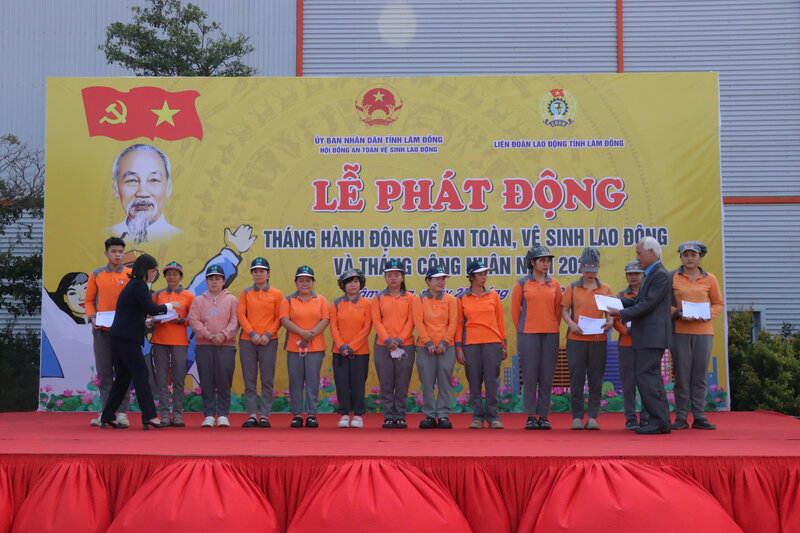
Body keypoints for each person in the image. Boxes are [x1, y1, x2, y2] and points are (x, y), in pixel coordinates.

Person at [99, 254, 180, 430]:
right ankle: (150, 416)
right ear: (146, 271)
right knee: (142, 376)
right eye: (153, 271)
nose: (154, 274)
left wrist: (146, 322)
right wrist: (171, 306)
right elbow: (151, 309)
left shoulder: (133, 286)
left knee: (122, 377)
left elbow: (134, 313)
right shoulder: (140, 286)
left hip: (120, 337)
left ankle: (107, 416)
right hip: (127, 340)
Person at [608, 236, 673, 435]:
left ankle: (658, 421)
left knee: (647, 377)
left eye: (639, 253)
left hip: (651, 336)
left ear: (651, 253)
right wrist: (618, 301)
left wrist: (621, 313)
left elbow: (648, 304)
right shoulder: (651, 274)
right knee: (650, 377)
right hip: (646, 335)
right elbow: (639, 300)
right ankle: (659, 420)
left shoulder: (660, 274)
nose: (637, 257)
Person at [670, 241, 724, 430]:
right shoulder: (672, 277)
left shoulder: (710, 279)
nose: (689, 258)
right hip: (680, 332)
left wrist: (709, 314)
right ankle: (681, 417)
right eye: (686, 255)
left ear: (700, 257)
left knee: (699, 376)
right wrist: (676, 313)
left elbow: (718, 303)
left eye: (693, 255)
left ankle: (699, 416)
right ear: (681, 257)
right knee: (681, 375)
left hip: (703, 332)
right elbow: (663, 304)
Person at [561, 246, 614, 431]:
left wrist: (610, 322)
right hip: (576, 340)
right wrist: (571, 324)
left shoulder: (605, 288)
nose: (590, 273)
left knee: (595, 379)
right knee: (576, 379)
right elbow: (564, 310)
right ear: (581, 268)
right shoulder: (572, 287)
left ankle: (592, 417)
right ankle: (576, 416)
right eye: (586, 269)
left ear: (598, 269)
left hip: (598, 339)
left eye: (593, 270)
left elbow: (610, 313)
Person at [512, 245, 562, 431]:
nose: (546, 264)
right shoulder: (522, 283)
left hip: (550, 333)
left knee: (547, 375)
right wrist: (523, 330)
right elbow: (515, 310)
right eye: (542, 260)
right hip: (528, 334)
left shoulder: (554, 284)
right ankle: (531, 416)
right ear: (532, 262)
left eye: (548, 260)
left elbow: (558, 309)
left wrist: (551, 325)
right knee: (530, 375)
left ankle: (544, 415)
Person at [85, 237, 132, 427]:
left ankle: (122, 413)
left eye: (121, 251)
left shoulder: (131, 274)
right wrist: (92, 317)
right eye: (114, 251)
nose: (118, 255)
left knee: (123, 373)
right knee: (105, 374)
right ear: (106, 253)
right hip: (102, 332)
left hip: (124, 333)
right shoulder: (96, 274)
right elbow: (89, 301)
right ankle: (106, 412)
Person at [456, 260, 508, 430]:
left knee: (492, 381)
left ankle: (493, 417)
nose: (484, 277)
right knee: (474, 381)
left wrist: (504, 344)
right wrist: (458, 348)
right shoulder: (462, 298)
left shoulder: (493, 296)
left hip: (492, 343)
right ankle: (477, 417)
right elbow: (458, 325)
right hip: (471, 344)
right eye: (480, 274)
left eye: (485, 274)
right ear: (471, 277)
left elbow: (500, 321)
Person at [187, 264, 239, 428]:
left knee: (224, 380)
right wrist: (208, 335)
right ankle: (209, 415)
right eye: (211, 279)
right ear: (206, 281)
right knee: (207, 380)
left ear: (224, 281)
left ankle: (223, 415)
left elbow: (235, 321)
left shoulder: (232, 300)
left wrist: (223, 335)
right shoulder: (198, 300)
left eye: (217, 278)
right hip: (204, 346)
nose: (214, 282)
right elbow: (194, 321)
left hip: (226, 346)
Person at [280, 266, 330, 428]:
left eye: (308, 280)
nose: (305, 284)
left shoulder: (321, 300)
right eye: (301, 280)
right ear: (296, 282)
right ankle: (297, 414)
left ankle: (311, 414)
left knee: (312, 381)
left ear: (313, 282)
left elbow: (325, 320)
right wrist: (302, 333)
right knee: (295, 381)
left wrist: (310, 336)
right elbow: (284, 320)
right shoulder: (288, 300)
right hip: (294, 348)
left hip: (315, 347)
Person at [237, 257, 283, 428]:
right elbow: (241, 314)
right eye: (255, 271)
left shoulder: (276, 294)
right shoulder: (246, 292)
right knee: (249, 379)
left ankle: (264, 415)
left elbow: (279, 317)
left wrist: (268, 334)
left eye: (262, 271)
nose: (258, 274)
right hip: (248, 340)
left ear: (268, 273)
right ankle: (251, 414)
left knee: (267, 378)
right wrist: (253, 333)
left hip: (268, 341)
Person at [371, 258, 416, 429]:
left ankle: (400, 415)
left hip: (405, 345)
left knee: (402, 382)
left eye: (397, 275)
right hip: (383, 346)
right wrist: (388, 340)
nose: (393, 278)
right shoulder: (378, 297)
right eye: (389, 275)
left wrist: (399, 340)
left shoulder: (411, 298)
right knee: (386, 381)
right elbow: (376, 320)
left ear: (402, 277)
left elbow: (412, 320)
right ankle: (388, 415)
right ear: (385, 277)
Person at [412, 265, 458, 429]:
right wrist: (428, 342)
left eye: (443, 279)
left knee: (445, 381)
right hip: (425, 347)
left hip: (447, 346)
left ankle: (444, 415)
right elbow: (418, 322)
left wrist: (444, 342)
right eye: (437, 278)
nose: (441, 282)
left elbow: (453, 323)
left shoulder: (451, 299)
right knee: (427, 382)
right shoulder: (419, 299)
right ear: (428, 281)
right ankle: (430, 415)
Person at [150, 261, 194, 427]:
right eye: (168, 274)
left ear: (181, 277)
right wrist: (153, 320)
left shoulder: (189, 296)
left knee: (178, 379)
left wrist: (182, 320)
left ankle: (177, 414)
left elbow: (194, 321)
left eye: (175, 274)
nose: (172, 277)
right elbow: (150, 315)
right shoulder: (158, 295)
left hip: (180, 342)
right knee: (161, 379)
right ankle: (164, 415)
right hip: (160, 341)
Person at [109, 144, 181, 244]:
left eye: (153, 180)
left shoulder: (180, 238)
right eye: (132, 180)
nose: (142, 193)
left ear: (168, 187)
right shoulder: (108, 235)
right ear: (115, 188)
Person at [329, 268, 372, 429]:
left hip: (360, 352)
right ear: (343, 285)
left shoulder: (367, 304)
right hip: (339, 352)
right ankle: (344, 414)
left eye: (356, 281)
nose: (353, 285)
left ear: (361, 283)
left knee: (358, 383)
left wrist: (353, 346)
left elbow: (366, 328)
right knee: (342, 383)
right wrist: (341, 346)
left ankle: (358, 415)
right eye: (349, 282)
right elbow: (334, 327)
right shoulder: (335, 303)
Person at [612, 261, 650, 430]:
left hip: (646, 345)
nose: (633, 277)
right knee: (628, 384)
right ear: (626, 276)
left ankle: (647, 417)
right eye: (630, 274)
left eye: (637, 273)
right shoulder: (620, 296)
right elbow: (614, 320)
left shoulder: (649, 296)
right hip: (626, 344)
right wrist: (625, 331)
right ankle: (630, 418)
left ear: (643, 275)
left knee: (647, 383)